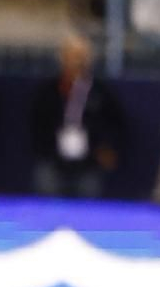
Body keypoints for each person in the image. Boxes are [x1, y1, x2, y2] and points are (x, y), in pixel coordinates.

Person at [30, 34, 125, 199]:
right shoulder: (48, 91)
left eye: (81, 56)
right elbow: (35, 125)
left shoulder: (100, 92)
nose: (76, 62)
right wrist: (46, 150)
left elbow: (117, 123)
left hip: (88, 163)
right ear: (62, 58)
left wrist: (107, 147)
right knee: (47, 189)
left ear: (89, 60)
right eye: (72, 56)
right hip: (54, 160)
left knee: (88, 198)